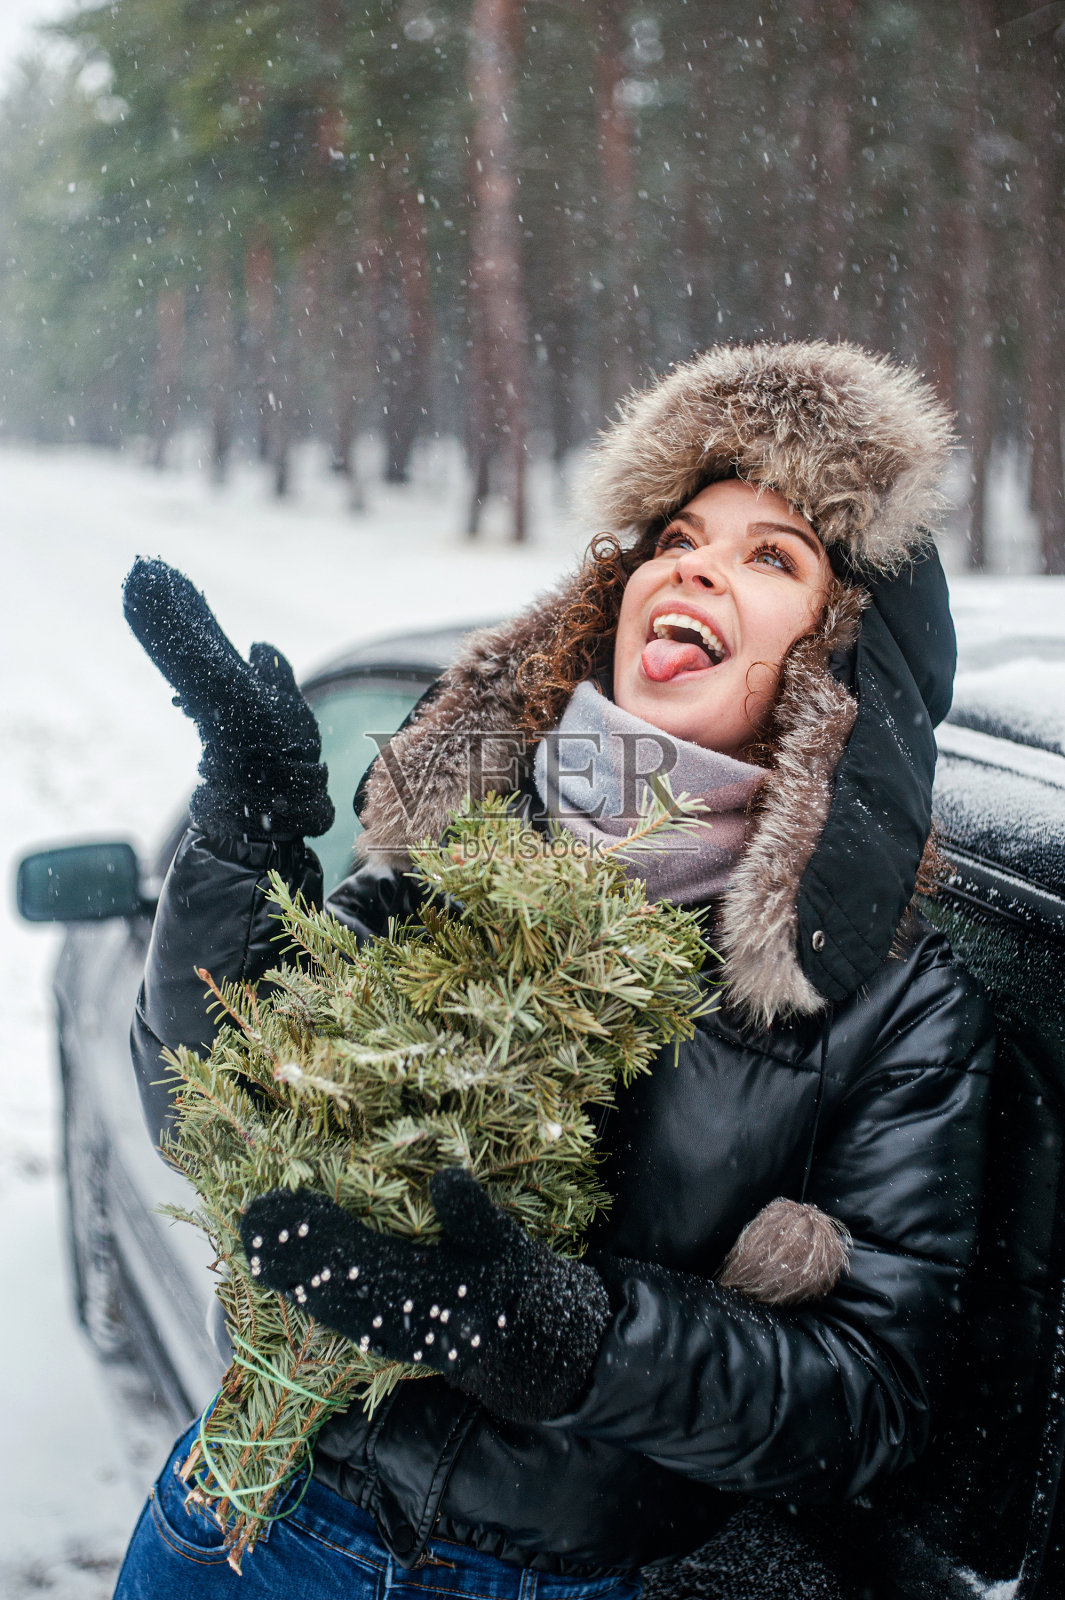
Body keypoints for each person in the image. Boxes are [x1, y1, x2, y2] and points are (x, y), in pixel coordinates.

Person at [112, 340, 993, 1600]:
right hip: (254, 1521)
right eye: (680, 533)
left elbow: (868, 1399)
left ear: (838, 659)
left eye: (771, 555)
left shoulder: (896, 1011)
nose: (693, 561)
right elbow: (214, 1117)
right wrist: (239, 848)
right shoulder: (474, 851)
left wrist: (569, 1338)